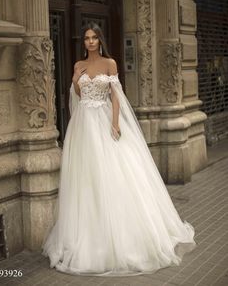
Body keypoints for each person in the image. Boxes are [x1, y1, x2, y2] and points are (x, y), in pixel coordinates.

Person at [42, 22, 196, 277]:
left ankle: (122, 236)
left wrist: (114, 123)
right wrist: (74, 80)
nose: (90, 42)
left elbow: (115, 96)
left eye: (94, 38)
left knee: (111, 173)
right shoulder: (78, 66)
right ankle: (89, 234)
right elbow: (78, 96)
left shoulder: (109, 63)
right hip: (82, 126)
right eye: (87, 38)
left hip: (103, 120)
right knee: (86, 178)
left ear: (100, 40)